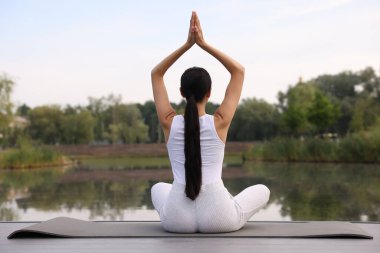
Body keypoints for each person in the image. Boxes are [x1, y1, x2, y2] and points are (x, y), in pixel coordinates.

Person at [150, 11, 270, 233]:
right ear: (210, 92)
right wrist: (203, 44)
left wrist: (187, 45)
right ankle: (226, 199)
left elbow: (156, 74)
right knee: (262, 190)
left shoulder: (169, 122)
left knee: (158, 187)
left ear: (181, 93)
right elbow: (238, 71)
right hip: (220, 218)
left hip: (176, 221)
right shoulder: (220, 121)